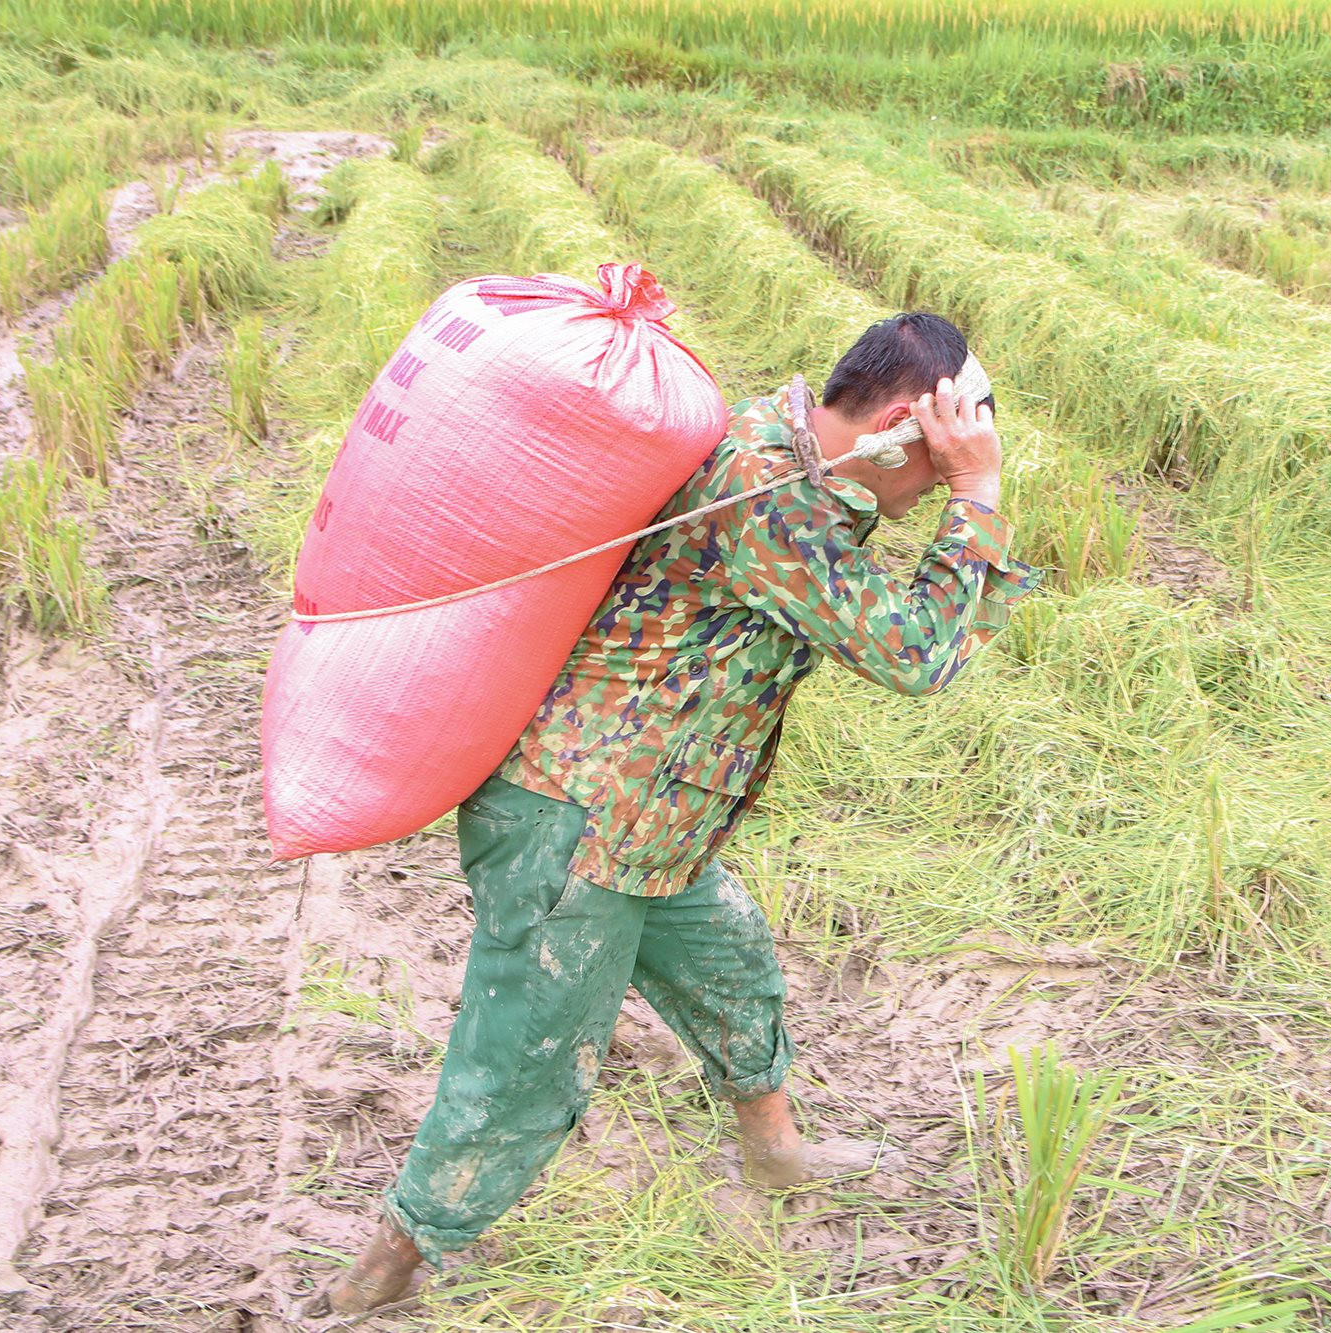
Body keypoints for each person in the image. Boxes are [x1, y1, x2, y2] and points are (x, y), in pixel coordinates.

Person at [324, 312, 1038, 1313]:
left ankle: (775, 1151)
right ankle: (380, 1270)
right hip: (577, 823)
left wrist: (947, 474)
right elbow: (913, 652)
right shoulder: (768, 496)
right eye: (933, 463)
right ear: (892, 427)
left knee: (733, 966)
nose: (924, 494)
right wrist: (979, 492)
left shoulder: (782, 453)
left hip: (652, 820)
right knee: (523, 1066)